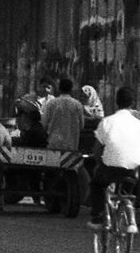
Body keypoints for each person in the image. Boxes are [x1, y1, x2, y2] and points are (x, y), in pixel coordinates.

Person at [88, 87, 140, 230]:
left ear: (116, 102)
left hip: (110, 169)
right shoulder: (138, 124)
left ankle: (97, 217)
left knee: (97, 184)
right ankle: (130, 214)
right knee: (127, 191)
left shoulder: (107, 121)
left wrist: (100, 163)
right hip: (132, 170)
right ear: (133, 103)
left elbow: (97, 150)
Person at [42, 77, 86, 153]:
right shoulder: (77, 105)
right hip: (71, 145)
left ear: (59, 89)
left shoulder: (51, 104)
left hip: (53, 144)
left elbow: (44, 123)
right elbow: (81, 125)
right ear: (71, 89)